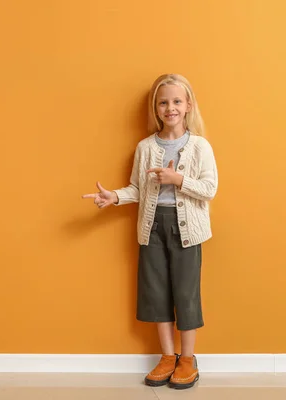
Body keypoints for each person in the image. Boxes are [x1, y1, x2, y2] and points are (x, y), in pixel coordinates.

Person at [82, 73, 218, 390]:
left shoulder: (200, 147)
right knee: (156, 291)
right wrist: (115, 197)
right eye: (163, 102)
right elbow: (138, 188)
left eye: (176, 101)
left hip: (188, 231)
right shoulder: (145, 147)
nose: (170, 107)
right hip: (152, 226)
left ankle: (187, 358)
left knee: (185, 293)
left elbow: (209, 188)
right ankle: (167, 356)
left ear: (188, 106)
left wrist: (178, 180)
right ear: (156, 108)